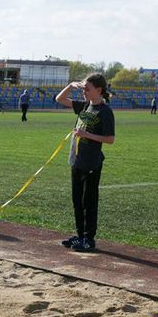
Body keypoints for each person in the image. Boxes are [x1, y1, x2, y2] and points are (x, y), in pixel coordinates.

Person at [56, 73, 115, 252]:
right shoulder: (84, 107)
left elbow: (110, 139)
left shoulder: (105, 111)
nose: (84, 92)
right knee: (77, 201)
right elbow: (60, 99)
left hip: (92, 163)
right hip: (77, 160)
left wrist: (86, 135)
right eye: (83, 89)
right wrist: (71, 85)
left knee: (88, 201)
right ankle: (80, 235)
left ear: (99, 90)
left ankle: (89, 239)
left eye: (87, 89)